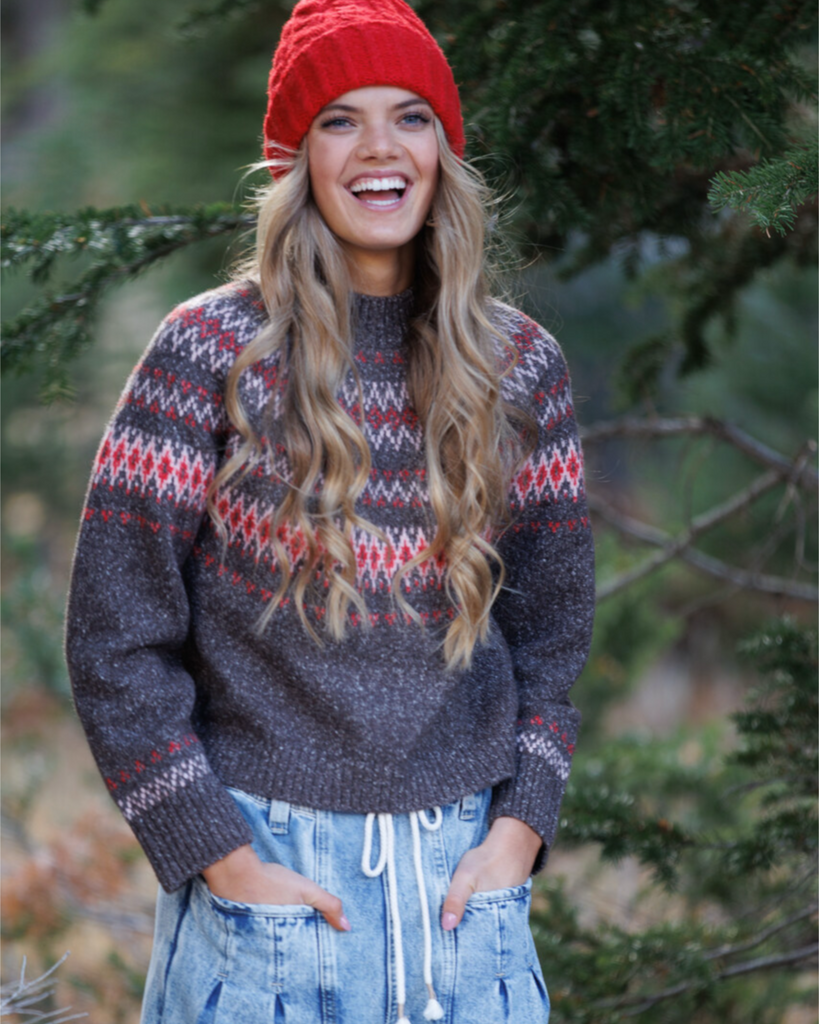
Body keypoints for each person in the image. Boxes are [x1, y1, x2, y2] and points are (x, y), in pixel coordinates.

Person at [65, 1, 595, 1021]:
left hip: (464, 894)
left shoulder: (519, 365)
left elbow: (554, 638)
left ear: (446, 148)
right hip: (266, 886)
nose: (381, 149)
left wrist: (520, 830)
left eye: (411, 117)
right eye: (340, 121)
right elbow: (115, 640)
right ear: (294, 156)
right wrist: (216, 855)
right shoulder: (206, 356)